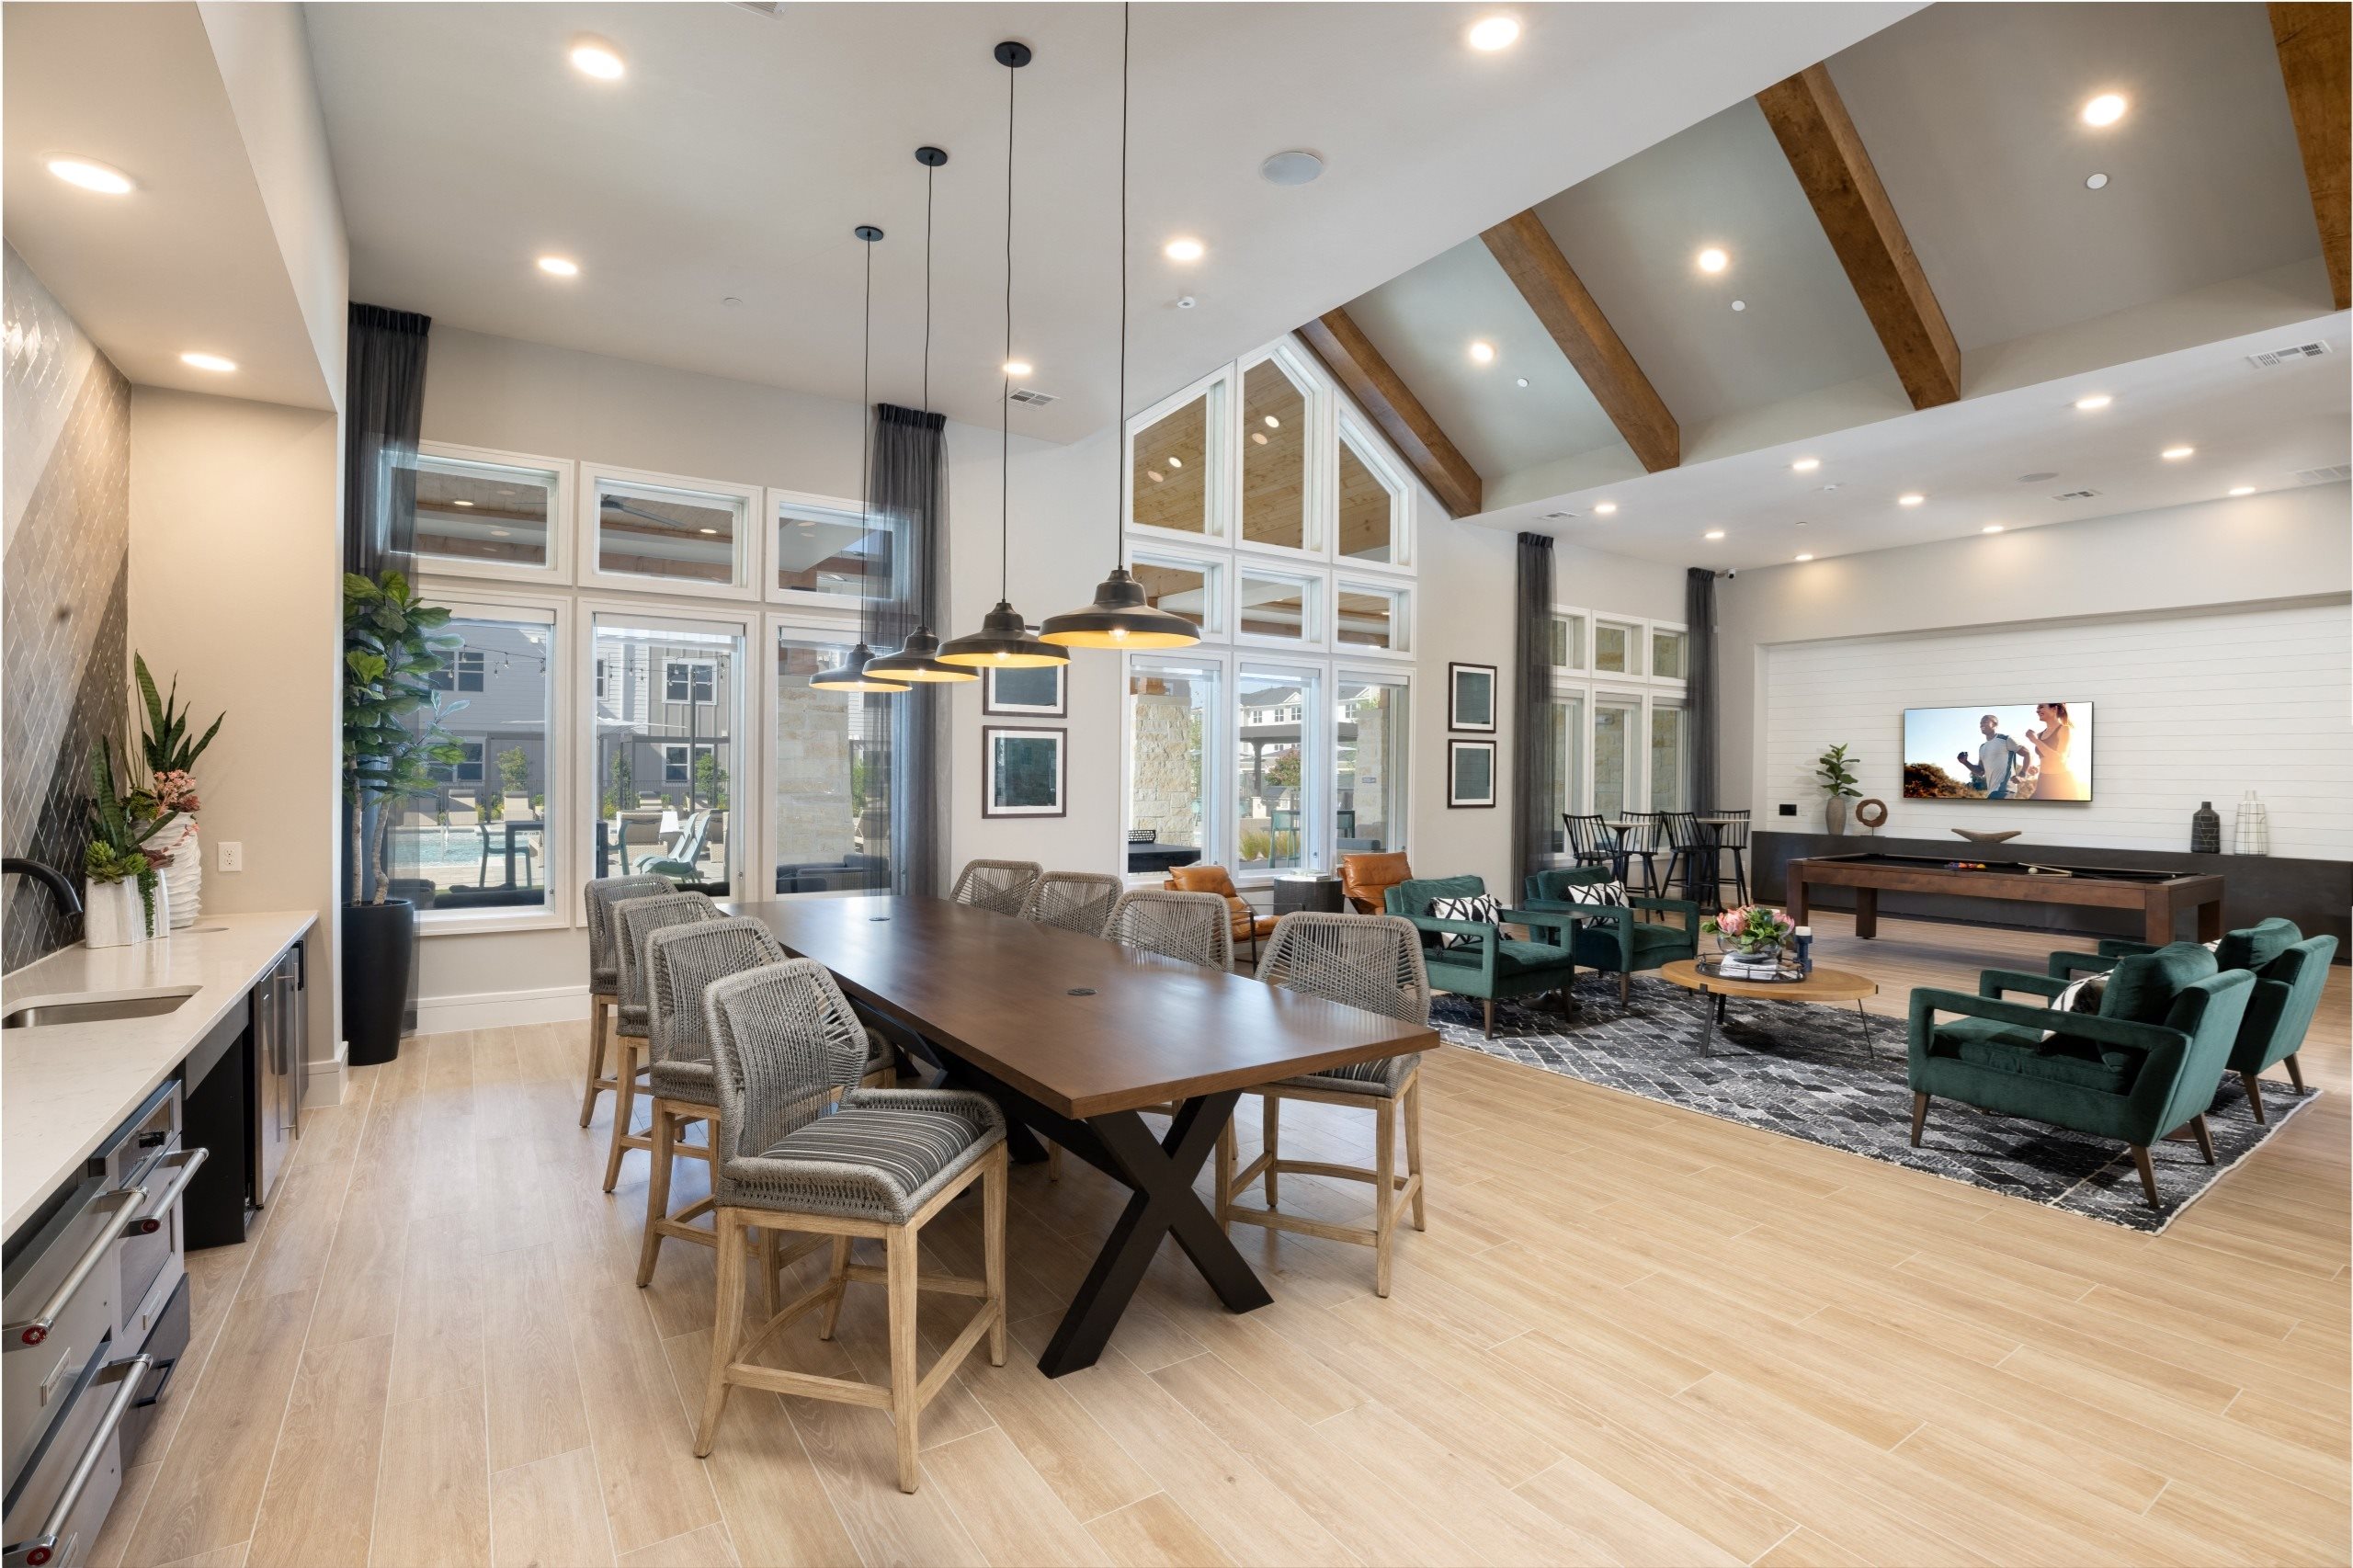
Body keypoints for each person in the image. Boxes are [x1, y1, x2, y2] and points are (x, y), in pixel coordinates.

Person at [1955, 713, 2023, 799]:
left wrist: (2022, 775)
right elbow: (1980, 771)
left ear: (1995, 724)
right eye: (1980, 723)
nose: (1981, 725)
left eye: (1985, 721)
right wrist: (1965, 762)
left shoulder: (2005, 739)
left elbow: (2027, 753)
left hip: (2005, 788)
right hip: (1992, 791)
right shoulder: (1982, 747)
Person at [2029, 702, 2083, 801]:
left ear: (2054, 709)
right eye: (2037, 708)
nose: (2037, 711)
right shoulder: (2040, 734)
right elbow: (2046, 757)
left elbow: (2060, 758)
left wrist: (2035, 740)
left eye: (2041, 707)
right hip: (2043, 781)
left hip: (2061, 782)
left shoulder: (2064, 730)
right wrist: (2036, 767)